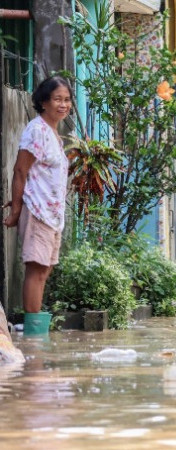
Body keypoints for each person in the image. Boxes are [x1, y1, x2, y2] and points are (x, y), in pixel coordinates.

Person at [3, 76, 73, 315]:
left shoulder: (53, 132)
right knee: (36, 269)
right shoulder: (37, 130)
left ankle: (36, 332)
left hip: (52, 215)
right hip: (38, 212)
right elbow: (20, 170)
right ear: (44, 102)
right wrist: (16, 210)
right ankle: (33, 336)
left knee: (45, 270)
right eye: (57, 99)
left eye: (67, 100)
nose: (63, 105)